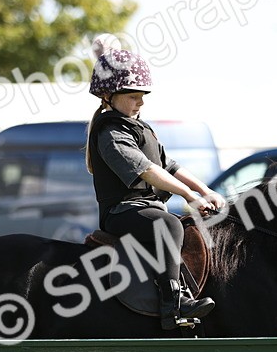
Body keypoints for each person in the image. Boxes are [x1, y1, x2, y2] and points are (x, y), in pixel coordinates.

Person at [85, 34, 226, 330]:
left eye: (142, 95)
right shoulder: (109, 132)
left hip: (147, 208)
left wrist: (205, 190)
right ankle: (172, 304)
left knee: (185, 227)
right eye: (133, 95)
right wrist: (189, 196)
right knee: (169, 225)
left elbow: (169, 166)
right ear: (109, 96)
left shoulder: (141, 127)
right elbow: (147, 170)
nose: (140, 101)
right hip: (122, 212)